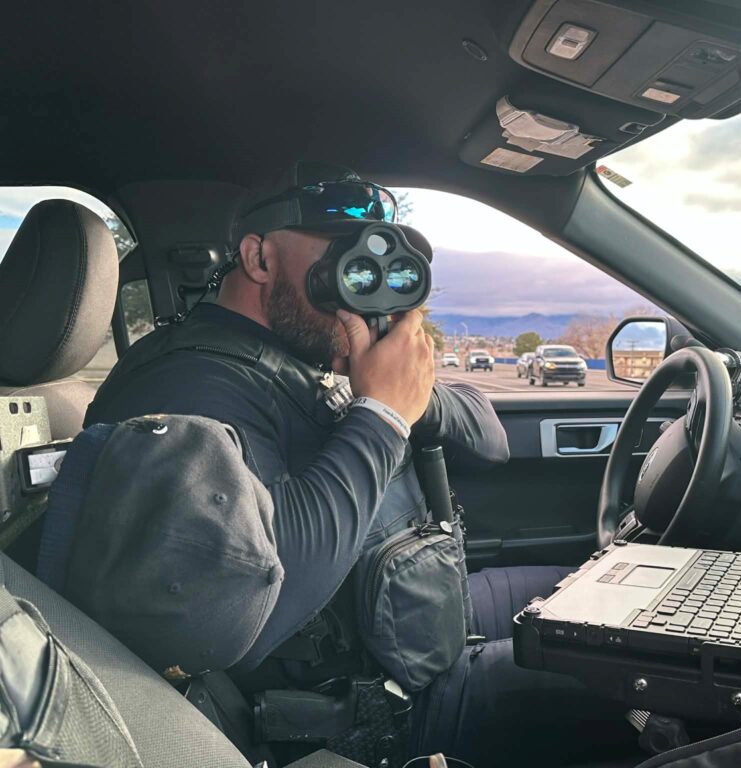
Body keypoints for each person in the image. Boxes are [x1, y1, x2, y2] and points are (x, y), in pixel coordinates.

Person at [85, 163, 633, 766]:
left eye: (381, 265)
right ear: (259, 260)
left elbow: (491, 440)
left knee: (614, 602)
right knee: (623, 669)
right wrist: (381, 417)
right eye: (343, 256)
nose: (365, 284)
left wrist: (409, 394)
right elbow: (263, 600)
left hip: (406, 619)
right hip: (369, 710)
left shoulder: (297, 357)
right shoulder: (191, 386)